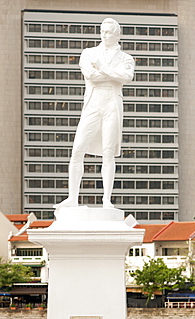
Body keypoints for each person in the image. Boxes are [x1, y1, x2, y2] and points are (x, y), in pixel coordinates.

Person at [54, 18, 135, 209]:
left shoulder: (126, 58)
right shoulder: (89, 53)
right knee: (77, 149)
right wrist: (111, 74)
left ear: (117, 34)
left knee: (108, 152)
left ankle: (106, 199)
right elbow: (90, 75)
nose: (103, 35)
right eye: (102, 31)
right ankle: (72, 197)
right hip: (93, 103)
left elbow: (127, 77)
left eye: (108, 32)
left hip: (112, 104)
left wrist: (103, 68)